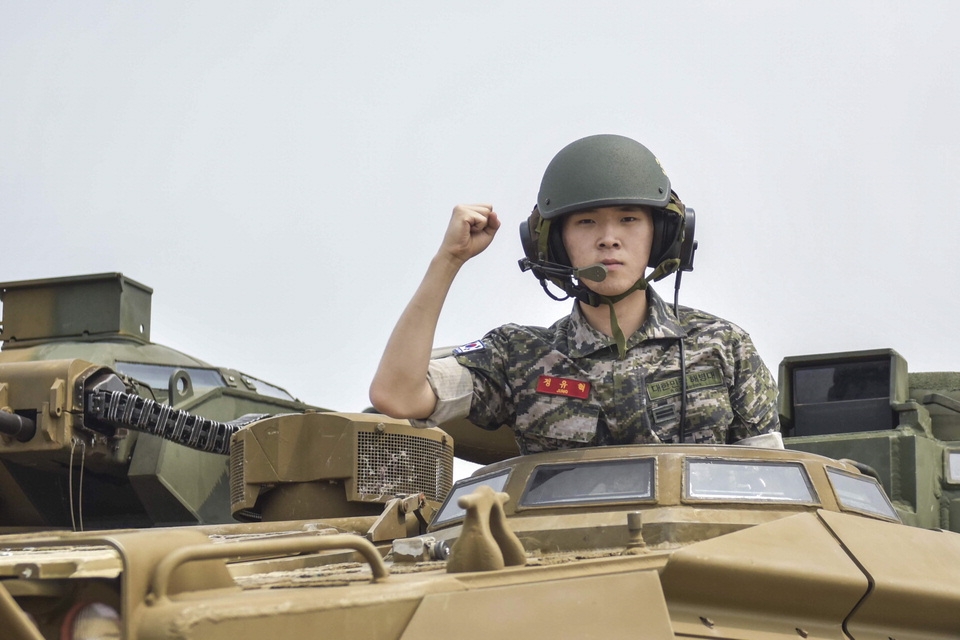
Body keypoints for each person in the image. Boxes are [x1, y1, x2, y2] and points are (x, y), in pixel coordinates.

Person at [369, 134, 780, 454]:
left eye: (629, 219)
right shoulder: (518, 357)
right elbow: (397, 395)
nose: (608, 239)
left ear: (663, 235)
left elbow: (770, 491)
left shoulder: (723, 347)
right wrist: (448, 260)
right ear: (555, 243)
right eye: (586, 222)